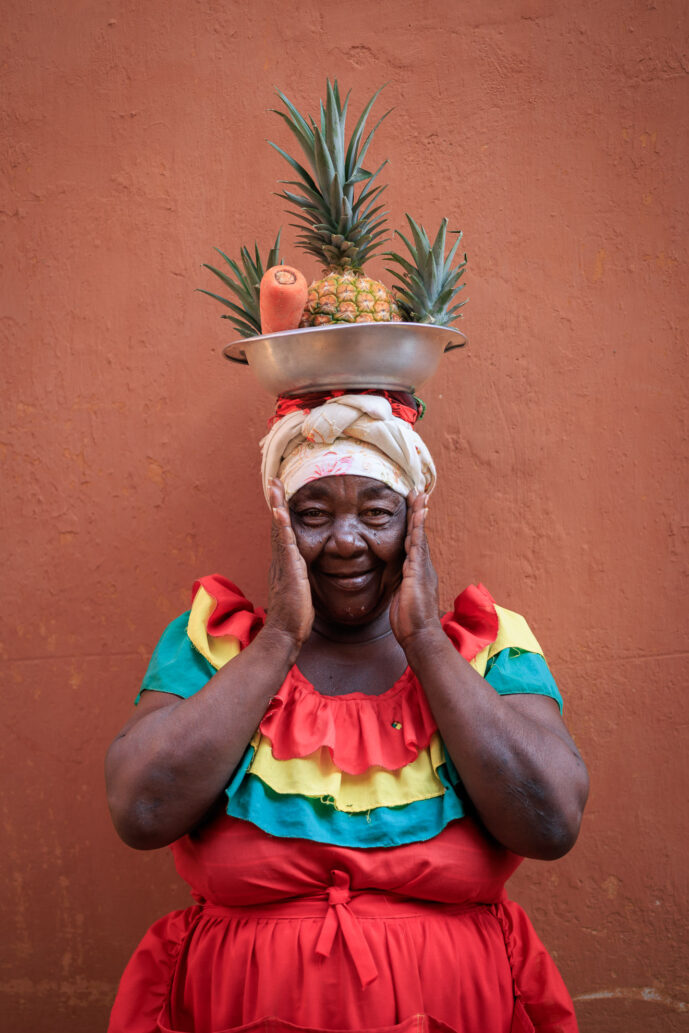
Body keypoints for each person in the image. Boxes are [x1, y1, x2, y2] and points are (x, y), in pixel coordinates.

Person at [106, 392, 589, 1033]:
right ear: (278, 522)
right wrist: (280, 637)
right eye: (312, 514)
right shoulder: (218, 644)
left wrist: (425, 640)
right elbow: (141, 811)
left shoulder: (485, 647)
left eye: (377, 513)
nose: (345, 541)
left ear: (415, 521)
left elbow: (550, 824)